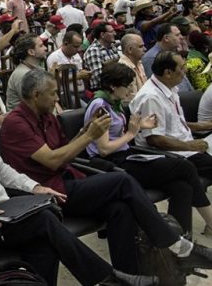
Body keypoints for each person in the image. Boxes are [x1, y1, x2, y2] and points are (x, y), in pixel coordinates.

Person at [0, 79, 156, 286]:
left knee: (45, 243)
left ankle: (108, 279)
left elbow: (2, 170)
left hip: (4, 214)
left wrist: (34, 187)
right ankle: (109, 278)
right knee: (44, 219)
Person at [1, 68, 212, 274]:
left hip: (67, 179)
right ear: (36, 95)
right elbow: (52, 161)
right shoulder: (16, 123)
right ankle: (175, 245)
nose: (57, 98)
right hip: (45, 193)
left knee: (120, 208)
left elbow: (65, 152)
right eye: (53, 93)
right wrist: (89, 136)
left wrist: (84, 132)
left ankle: (130, 276)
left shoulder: (47, 117)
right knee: (122, 181)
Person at [85, 61, 212, 235]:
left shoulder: (113, 102)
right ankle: (210, 222)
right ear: (113, 86)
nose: (131, 90)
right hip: (113, 163)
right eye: (127, 86)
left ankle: (180, 238)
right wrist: (131, 133)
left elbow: (116, 133)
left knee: (182, 186)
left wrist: (140, 126)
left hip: (126, 155)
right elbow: (104, 149)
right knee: (184, 166)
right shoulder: (100, 106)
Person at [131, 51, 212, 175]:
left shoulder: (169, 86)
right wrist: (191, 146)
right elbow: (155, 139)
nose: (186, 70)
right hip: (173, 153)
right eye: (182, 67)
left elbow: (174, 123)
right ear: (168, 73)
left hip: (185, 145)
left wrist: (204, 126)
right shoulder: (151, 97)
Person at [5, 33, 47, 111]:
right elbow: (35, 104)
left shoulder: (37, 68)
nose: (45, 48)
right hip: (23, 116)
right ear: (31, 52)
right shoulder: (22, 74)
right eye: (41, 46)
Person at [83, 22, 120, 91]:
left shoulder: (112, 47)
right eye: (111, 32)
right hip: (101, 89)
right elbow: (99, 77)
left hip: (114, 86)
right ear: (102, 35)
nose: (115, 34)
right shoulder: (93, 50)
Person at [117, 32, 147, 104]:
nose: (145, 49)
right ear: (130, 49)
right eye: (141, 46)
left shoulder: (139, 63)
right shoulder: (123, 69)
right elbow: (130, 100)